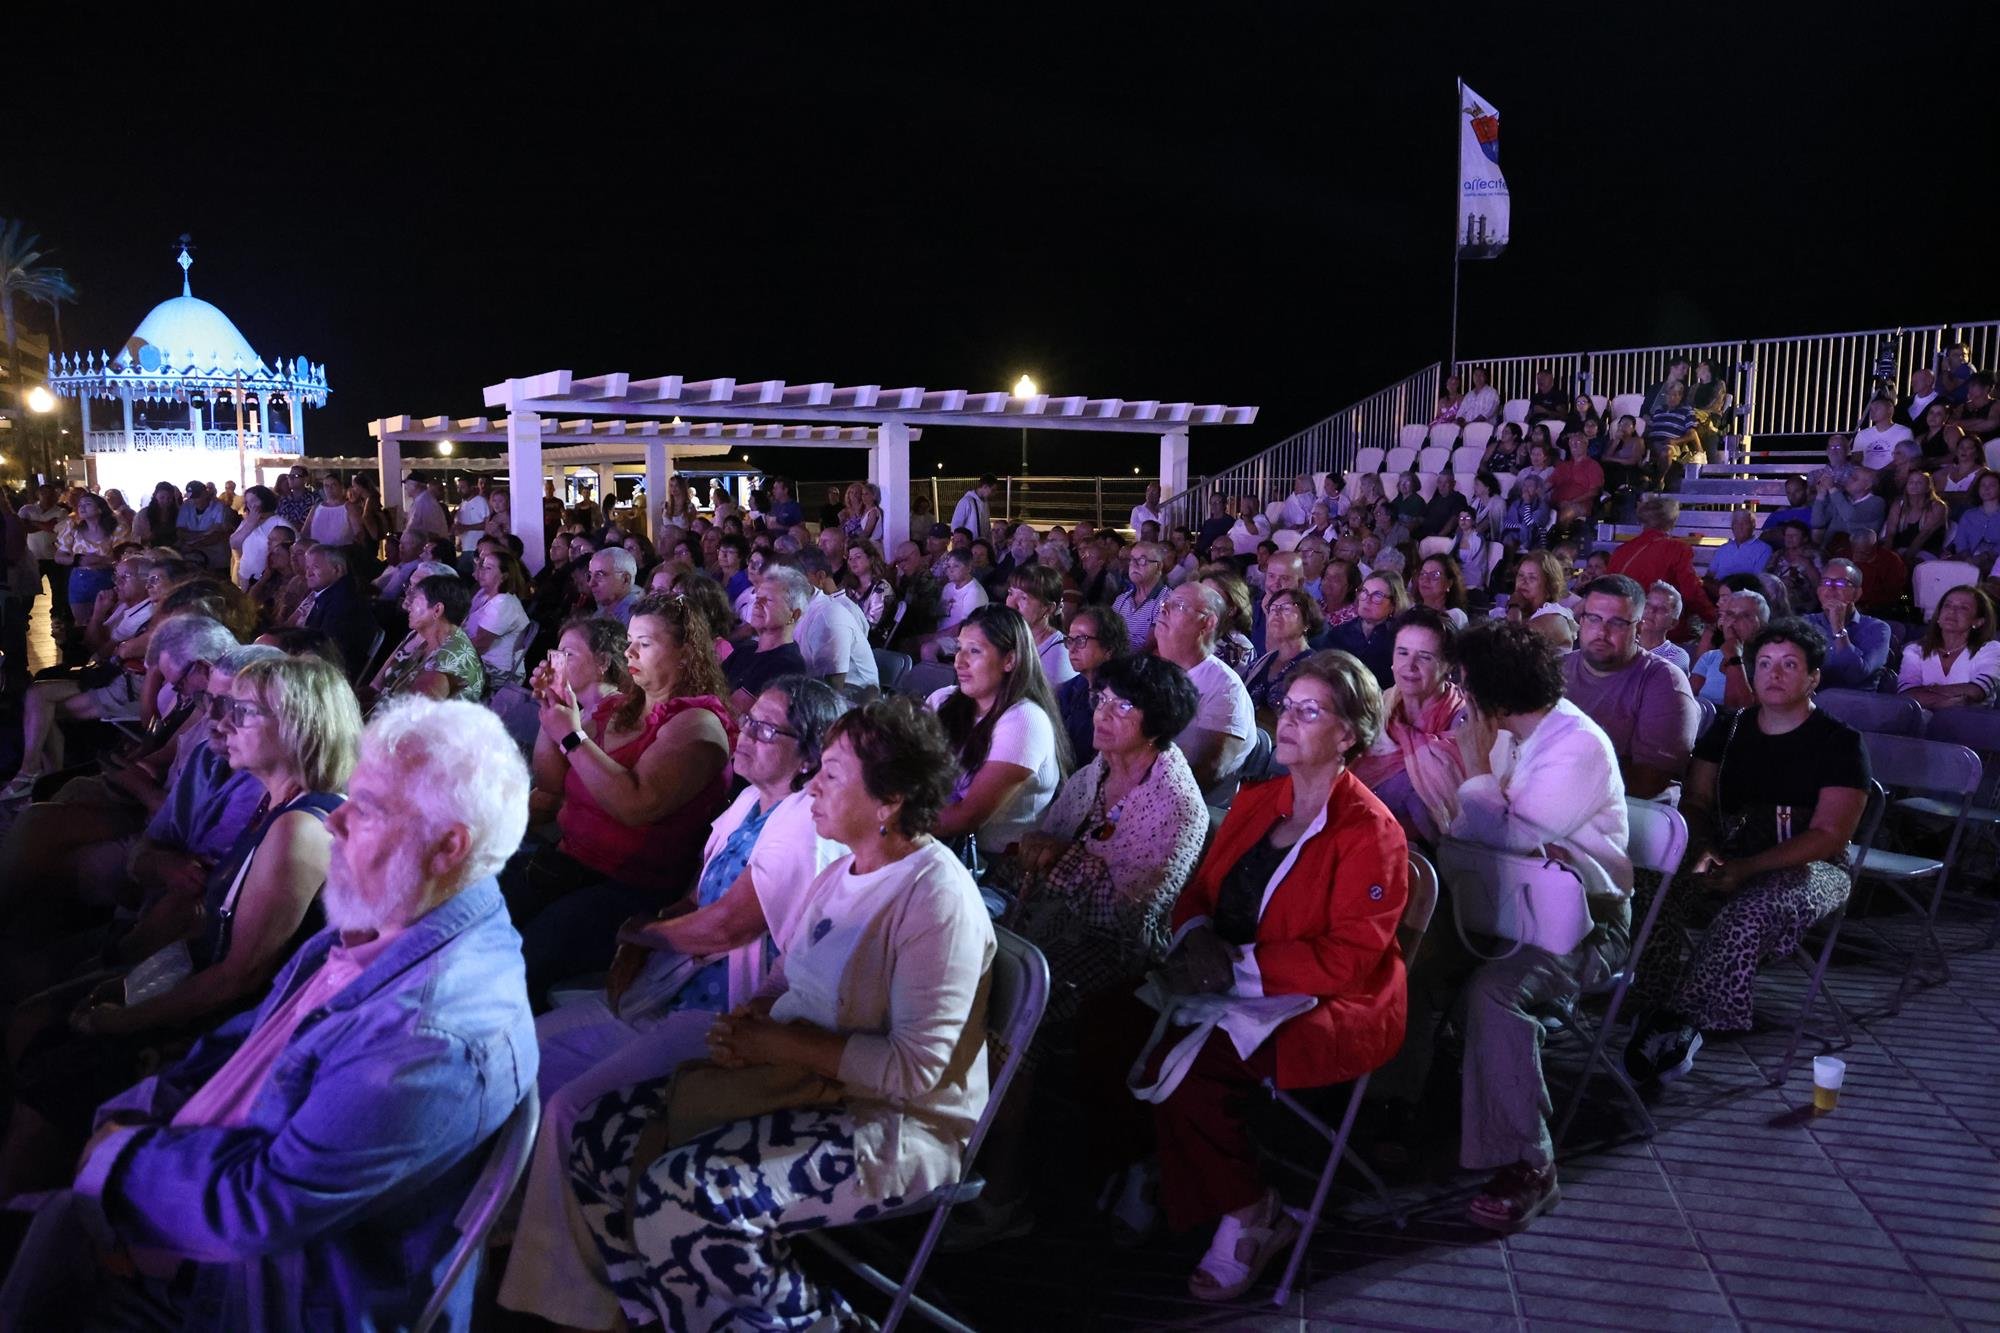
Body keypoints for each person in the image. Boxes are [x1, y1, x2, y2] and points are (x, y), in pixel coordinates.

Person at [0, 697, 535, 1331]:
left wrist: (119, 1160)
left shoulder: (434, 1039)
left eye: (365, 809)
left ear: (450, 846)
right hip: (195, 1203)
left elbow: (256, 1212)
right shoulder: (385, 918)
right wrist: (145, 1110)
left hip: (241, 1292)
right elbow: (244, 1044)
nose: (334, 824)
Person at [561, 697, 992, 1330]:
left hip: (893, 1124)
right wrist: (753, 1019)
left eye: (834, 774)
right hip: (802, 1086)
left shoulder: (935, 899)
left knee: (686, 1194)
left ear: (890, 800)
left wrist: (776, 1044)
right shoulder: (842, 869)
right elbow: (788, 972)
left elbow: (915, 1073)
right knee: (599, 1137)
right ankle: (662, 1311)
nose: (813, 783)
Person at [497, 678, 849, 1324]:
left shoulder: (802, 823)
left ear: (808, 758)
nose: (748, 732)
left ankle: (570, 1295)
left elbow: (729, 927)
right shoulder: (746, 804)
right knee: (525, 1053)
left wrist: (637, 931)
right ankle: (507, 1223)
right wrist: (657, 931)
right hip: (675, 984)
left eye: (770, 730)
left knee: (577, 1105)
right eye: (753, 718)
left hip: (726, 1017)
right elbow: (696, 897)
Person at [0, 654, 360, 1198]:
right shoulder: (276, 805)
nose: (222, 723)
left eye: (244, 713)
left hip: (232, 1038)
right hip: (197, 988)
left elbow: (237, 979)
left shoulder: (300, 831)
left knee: (44, 1076)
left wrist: (125, 1019)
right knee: (34, 1025)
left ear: (296, 728)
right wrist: (128, 975)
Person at [1129, 651, 1406, 1301]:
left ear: (1348, 734)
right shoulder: (1259, 800)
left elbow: (1347, 959)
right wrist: (1196, 938)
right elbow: (1198, 890)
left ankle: (1254, 1211)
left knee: (1192, 1074)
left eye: (1312, 711)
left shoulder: (1372, 831)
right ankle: (1162, 1177)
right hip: (1226, 975)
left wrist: (1234, 967)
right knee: (1116, 1021)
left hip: (1319, 997)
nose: (1288, 721)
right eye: (1289, 706)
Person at [951, 656, 1208, 1245]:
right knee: (957, 966)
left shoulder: (1174, 803)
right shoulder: (1095, 773)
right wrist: (1045, 858)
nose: (1103, 712)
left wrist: (1055, 858)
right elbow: (1038, 848)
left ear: (1157, 723)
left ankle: (1003, 1195)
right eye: (1102, 699)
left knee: (1018, 1014)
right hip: (1048, 922)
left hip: (1119, 951)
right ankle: (941, 1146)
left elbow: (1127, 912)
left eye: (1123, 706)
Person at [1430, 622, 1631, 1231]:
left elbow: (1508, 834)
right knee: (1410, 960)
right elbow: (1478, 831)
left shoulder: (1577, 744)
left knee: (1495, 994)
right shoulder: (1511, 735)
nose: (1459, 695)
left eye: (1464, 683)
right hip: (1508, 904)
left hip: (1582, 922)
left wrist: (1470, 768)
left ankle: (1530, 1160)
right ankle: (1396, 1109)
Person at [1624, 621, 1869, 1084]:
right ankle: (1649, 1003)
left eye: (1790, 665)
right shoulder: (1730, 729)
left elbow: (1830, 835)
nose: (1774, 675)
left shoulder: (1840, 743)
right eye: (1765, 664)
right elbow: (1695, 803)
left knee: (1750, 913)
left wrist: (1747, 868)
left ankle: (1678, 1021)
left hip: (1809, 866)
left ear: (1813, 677)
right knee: (1654, 883)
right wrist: (1709, 854)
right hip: (1724, 853)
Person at [515, 593, 735, 997]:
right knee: (475, 909)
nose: (629, 650)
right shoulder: (617, 707)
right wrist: (552, 714)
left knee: (524, 956)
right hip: (570, 861)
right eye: (630, 640)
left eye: (645, 643)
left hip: (629, 887)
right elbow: (552, 782)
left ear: (685, 654)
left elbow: (635, 805)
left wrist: (571, 733)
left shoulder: (698, 726)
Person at [925, 604, 1069, 853]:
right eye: (959, 649)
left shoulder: (1025, 720)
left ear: (1009, 660)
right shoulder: (944, 699)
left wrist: (886, 823)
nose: (959, 661)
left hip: (990, 866)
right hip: (936, 844)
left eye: (975, 651)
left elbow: (966, 816)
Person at [1562, 575, 1699, 800]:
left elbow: (1649, 781)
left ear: (1638, 628)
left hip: (1634, 814)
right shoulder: (1556, 669)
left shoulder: (1665, 682)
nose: (1602, 632)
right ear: (1582, 621)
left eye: (1617, 623)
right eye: (1594, 618)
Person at [1352, 607, 1467, 846]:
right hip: (1357, 832)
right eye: (1402, 653)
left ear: (1447, 665)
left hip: (1420, 855)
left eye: (1424, 657)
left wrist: (1371, 834)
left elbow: (1453, 817)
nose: (1410, 665)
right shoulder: (1380, 707)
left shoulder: (1465, 725)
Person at [1153, 582, 1256, 802]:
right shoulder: (1154, 671)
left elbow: (1209, 771)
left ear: (1207, 623)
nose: (1164, 610)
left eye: (1178, 606)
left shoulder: (1225, 688)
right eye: (1165, 604)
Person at [363, 572, 485, 714]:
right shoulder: (422, 638)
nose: (408, 606)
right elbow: (379, 689)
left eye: (415, 600)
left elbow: (412, 720)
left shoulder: (452, 659)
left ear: (437, 610)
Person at [1607, 496, 1718, 625]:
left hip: (1621, 622)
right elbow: (1691, 592)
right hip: (1658, 626)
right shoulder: (1677, 549)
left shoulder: (1621, 550)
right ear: (1672, 522)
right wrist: (1713, 618)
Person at [723, 563, 812, 708]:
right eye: (758, 597)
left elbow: (735, 709)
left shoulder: (788, 664)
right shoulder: (744, 650)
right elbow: (708, 688)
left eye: (768, 600)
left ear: (794, 614)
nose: (757, 604)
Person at [791, 547, 879, 692]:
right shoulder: (807, 607)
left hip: (854, 694)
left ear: (820, 577)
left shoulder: (835, 612)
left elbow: (834, 684)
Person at [1898, 585, 2000, 708]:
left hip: (1972, 724)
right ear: (1938, 616)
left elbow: (1976, 691)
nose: (1952, 611)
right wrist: (1946, 702)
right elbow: (1906, 696)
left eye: (1963, 608)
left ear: (1977, 622)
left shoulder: (1991, 649)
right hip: (1920, 724)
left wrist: (1926, 691)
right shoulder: (1915, 650)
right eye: (1948, 605)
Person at [1054, 604, 1129, 767]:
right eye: (1070, 640)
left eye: (1081, 640)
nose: (1072, 649)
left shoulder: (1122, 697)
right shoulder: (1070, 689)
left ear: (1109, 647)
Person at [290, 544, 376, 680]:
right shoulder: (330, 595)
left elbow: (327, 648)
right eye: (307, 567)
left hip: (330, 676)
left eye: (315, 567)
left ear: (337, 569)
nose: (308, 573)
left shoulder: (344, 602)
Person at [1804, 558, 1891, 690]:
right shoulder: (1805, 623)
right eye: (1826, 582)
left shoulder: (1878, 628)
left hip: (1856, 705)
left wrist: (1838, 627)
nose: (1831, 588)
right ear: (1818, 591)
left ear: (1857, 594)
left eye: (1840, 583)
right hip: (1812, 702)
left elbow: (1855, 675)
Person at [1244, 587, 1324, 726]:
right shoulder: (1265, 660)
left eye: (1286, 608)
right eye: (1273, 608)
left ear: (1306, 622)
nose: (1276, 613)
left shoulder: (1313, 667)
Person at [464, 544, 534, 690]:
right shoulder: (483, 595)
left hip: (498, 671)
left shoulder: (504, 603)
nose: (481, 571)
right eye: (481, 566)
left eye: (488, 568)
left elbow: (480, 645)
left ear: (504, 576)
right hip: (481, 662)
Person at [1324, 570, 1407, 689]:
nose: (1367, 600)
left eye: (1377, 595)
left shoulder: (1401, 639)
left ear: (1393, 604)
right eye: (1364, 592)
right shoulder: (1338, 634)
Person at [1690, 588, 1770, 708]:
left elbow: (1743, 711)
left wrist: (1734, 657)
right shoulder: (1710, 657)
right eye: (1730, 614)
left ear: (1762, 625)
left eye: (1745, 615)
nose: (1734, 621)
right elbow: (1687, 702)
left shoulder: (1768, 662)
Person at [54, 490, 123, 626]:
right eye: (80, 505)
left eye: (87, 503)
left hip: (109, 578)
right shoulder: (72, 527)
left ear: (100, 508)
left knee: (108, 622)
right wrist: (78, 560)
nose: (82, 507)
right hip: (80, 578)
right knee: (82, 622)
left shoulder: (117, 528)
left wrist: (101, 561)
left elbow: (124, 555)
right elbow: (59, 556)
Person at [1503, 548, 1576, 649]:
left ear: (1548, 587)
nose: (1524, 581)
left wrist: (1514, 606)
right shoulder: (1507, 612)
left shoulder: (1555, 619)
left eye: (1532, 577)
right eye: (1521, 575)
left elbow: (1511, 644)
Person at [1113, 539, 1171, 651]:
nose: (1134, 565)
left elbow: (1149, 647)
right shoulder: (1121, 600)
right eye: (1132, 559)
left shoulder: (1168, 601)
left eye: (1142, 560)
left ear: (1158, 567)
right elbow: (1107, 633)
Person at [1811, 465, 1887, 550]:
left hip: (1856, 552)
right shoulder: (1842, 497)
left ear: (1867, 485)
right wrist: (1820, 495)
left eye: (1854, 478)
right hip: (1830, 549)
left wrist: (1832, 489)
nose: (1848, 479)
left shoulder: (1877, 502)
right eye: (1850, 476)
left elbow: (1850, 516)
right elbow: (1817, 523)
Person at [1883, 467, 1948, 564]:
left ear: (1928, 487)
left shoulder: (1937, 506)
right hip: (1899, 549)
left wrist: (1904, 560)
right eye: (1911, 482)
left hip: (1926, 551)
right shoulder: (1898, 505)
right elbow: (1890, 534)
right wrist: (1886, 555)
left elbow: (1923, 535)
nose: (1914, 485)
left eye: (1919, 482)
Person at [228, 484, 282, 590]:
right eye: (248, 502)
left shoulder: (279, 523)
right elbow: (234, 543)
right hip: (244, 578)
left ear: (265, 500)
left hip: (266, 581)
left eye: (253, 500)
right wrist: (250, 524)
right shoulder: (246, 523)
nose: (250, 505)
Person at [1946, 469, 2000, 571]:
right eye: (1983, 485)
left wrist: (1986, 556)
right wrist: (1968, 558)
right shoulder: (1969, 515)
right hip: (1969, 560)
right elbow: (1960, 542)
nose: (1986, 489)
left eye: (1992, 485)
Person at [1707, 510, 1773, 582]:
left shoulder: (1764, 549)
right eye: (1736, 523)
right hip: (1717, 589)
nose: (1740, 527)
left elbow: (1757, 580)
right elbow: (1710, 575)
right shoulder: (1723, 549)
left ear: (1753, 525)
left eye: (1744, 523)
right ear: (1732, 527)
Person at [1852, 394, 1915, 470]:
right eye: (1871, 409)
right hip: (1867, 477)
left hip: (1891, 475)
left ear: (1890, 410)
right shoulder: (1862, 434)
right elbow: (1856, 459)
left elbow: (1903, 459)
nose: (1873, 411)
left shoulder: (1904, 432)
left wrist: (1879, 473)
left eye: (1877, 408)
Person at [1413, 551, 1470, 629]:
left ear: (1449, 583)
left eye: (1435, 575)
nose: (1425, 579)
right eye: (1423, 573)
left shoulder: (1455, 616)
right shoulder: (1411, 611)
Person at [586, 546, 641, 625]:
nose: (591, 583)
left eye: (599, 575)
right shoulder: (602, 612)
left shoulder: (636, 618)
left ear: (625, 579)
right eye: (590, 575)